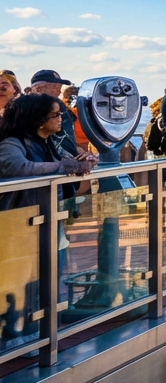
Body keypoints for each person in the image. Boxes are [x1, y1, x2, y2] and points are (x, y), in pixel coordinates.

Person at [0, 93, 97, 291]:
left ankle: (45, 320)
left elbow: (69, 163)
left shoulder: (50, 142)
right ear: (38, 119)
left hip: (50, 223)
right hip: (23, 227)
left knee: (49, 286)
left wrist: (86, 161)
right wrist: (64, 166)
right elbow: (19, 168)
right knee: (21, 289)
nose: (61, 118)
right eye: (55, 114)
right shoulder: (11, 143)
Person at [27, 70, 77, 153]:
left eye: (59, 87)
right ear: (39, 89)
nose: (59, 92)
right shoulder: (27, 109)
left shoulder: (58, 103)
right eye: (55, 88)